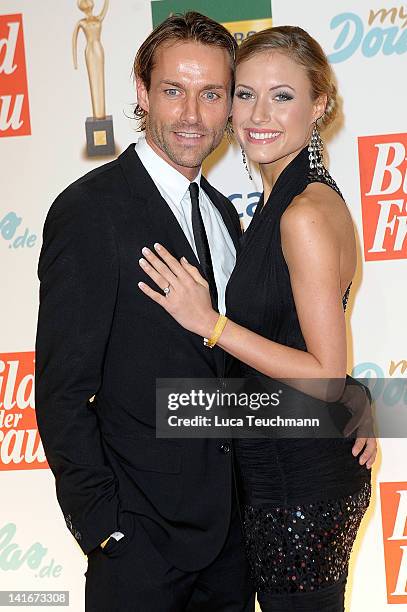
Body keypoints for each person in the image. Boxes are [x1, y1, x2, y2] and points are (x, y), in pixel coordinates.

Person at [137, 25, 377, 612]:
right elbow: (312, 355)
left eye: (282, 96)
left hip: (299, 485)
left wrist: (210, 322)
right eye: (244, 94)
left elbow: (322, 372)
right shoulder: (277, 203)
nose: (258, 114)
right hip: (276, 471)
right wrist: (355, 393)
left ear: (318, 105)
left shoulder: (303, 214)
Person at [35, 12, 255, 612]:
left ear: (230, 105)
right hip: (139, 547)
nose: (191, 114)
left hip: (229, 542)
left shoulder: (223, 215)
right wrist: (104, 527)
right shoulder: (90, 211)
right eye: (173, 91)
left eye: (211, 94)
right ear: (141, 92)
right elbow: (61, 391)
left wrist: (338, 404)